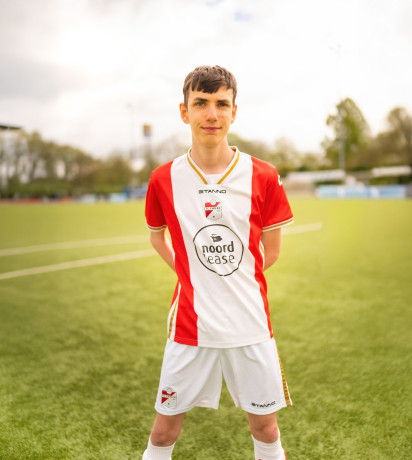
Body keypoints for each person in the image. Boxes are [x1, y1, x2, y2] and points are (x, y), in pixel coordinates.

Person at [143, 65, 293, 460]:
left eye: (222, 104)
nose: (212, 114)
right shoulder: (163, 179)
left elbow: (271, 251)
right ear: (184, 111)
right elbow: (157, 237)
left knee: (266, 428)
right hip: (190, 326)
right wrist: (191, 274)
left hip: (250, 323)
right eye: (201, 103)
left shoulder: (263, 175)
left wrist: (228, 274)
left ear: (234, 112)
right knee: (163, 432)